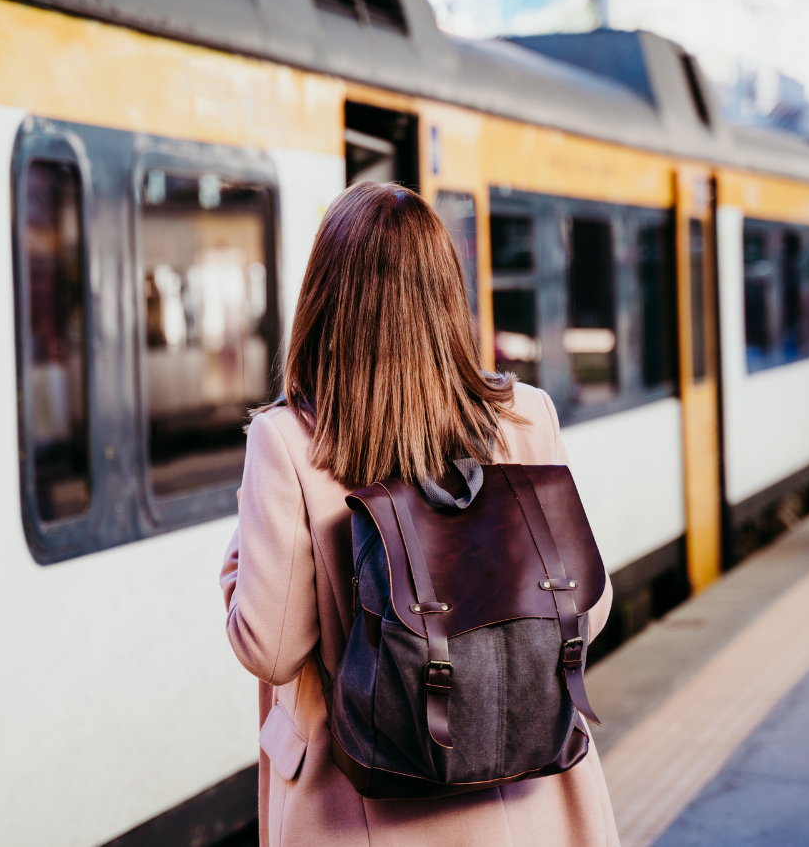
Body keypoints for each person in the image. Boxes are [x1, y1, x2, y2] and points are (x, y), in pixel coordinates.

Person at [220, 182, 618, 847]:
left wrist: (240, 556)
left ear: (323, 300)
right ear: (445, 293)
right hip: (535, 810)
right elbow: (586, 608)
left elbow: (272, 647)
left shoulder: (289, 442)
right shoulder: (525, 417)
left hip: (365, 815)